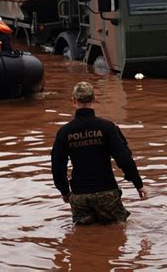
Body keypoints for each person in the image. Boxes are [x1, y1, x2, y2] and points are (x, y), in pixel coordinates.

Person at [51, 81, 147, 225]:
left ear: (73, 101)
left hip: (80, 196)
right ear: (94, 99)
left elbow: (57, 166)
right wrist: (138, 184)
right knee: (118, 232)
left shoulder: (65, 132)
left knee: (82, 239)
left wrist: (64, 192)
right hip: (106, 193)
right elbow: (124, 158)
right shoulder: (107, 128)